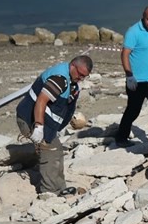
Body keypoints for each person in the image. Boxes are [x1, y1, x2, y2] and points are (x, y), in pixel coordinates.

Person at [15, 55, 93, 197]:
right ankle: (49, 193)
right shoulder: (59, 79)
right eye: (80, 74)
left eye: (84, 76)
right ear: (73, 66)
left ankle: (59, 188)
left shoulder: (70, 80)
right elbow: (41, 101)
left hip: (45, 123)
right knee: (50, 153)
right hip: (30, 119)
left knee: (57, 152)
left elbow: (60, 105)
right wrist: (38, 127)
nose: (81, 78)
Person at [115, 6, 148, 147]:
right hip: (136, 80)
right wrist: (129, 75)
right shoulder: (133, 32)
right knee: (133, 110)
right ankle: (121, 138)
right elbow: (125, 54)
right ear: (143, 17)